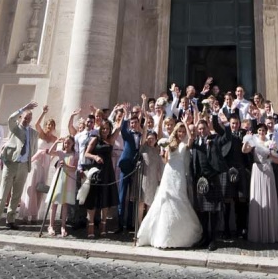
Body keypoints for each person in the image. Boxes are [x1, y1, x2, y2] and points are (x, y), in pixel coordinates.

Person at [136, 122, 202, 249]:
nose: (181, 134)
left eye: (183, 132)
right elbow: (166, 160)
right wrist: (162, 155)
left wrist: (187, 126)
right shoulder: (169, 144)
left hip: (180, 174)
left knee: (179, 198)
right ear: (176, 132)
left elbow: (191, 141)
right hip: (169, 173)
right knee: (165, 200)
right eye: (179, 131)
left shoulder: (184, 144)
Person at [0, 101, 39, 233]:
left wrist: (28, 159)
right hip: (11, 164)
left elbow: (34, 149)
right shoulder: (15, 128)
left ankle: (10, 220)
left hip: (23, 166)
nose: (26, 120)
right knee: (3, 194)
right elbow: (11, 118)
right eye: (25, 117)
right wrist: (24, 108)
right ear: (21, 117)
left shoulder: (33, 133)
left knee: (17, 195)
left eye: (29, 118)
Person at [191, 112, 232, 251]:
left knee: (214, 211)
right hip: (200, 181)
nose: (202, 131)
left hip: (213, 179)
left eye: (204, 129)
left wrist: (224, 123)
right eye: (200, 129)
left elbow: (227, 137)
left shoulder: (215, 140)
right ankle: (205, 237)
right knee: (202, 211)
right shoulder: (195, 142)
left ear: (208, 129)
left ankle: (213, 239)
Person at [242, 123, 278, 243]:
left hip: (268, 170)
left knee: (268, 198)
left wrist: (270, 154)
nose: (261, 132)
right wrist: (247, 140)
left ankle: (269, 231)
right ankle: (257, 232)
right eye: (259, 130)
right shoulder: (254, 141)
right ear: (257, 131)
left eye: (263, 130)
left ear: (266, 131)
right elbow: (244, 150)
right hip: (257, 170)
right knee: (258, 197)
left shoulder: (270, 142)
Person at [19, 106, 58, 223]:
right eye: (48, 124)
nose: (49, 126)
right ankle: (26, 213)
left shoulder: (55, 138)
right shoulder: (40, 134)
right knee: (31, 187)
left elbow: (53, 154)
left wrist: (48, 163)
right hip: (36, 162)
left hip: (44, 165)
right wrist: (43, 112)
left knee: (40, 189)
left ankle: (35, 214)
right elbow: (36, 124)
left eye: (51, 125)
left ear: (54, 127)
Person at [82, 119, 119, 237]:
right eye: (103, 128)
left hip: (108, 172)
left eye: (107, 129)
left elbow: (118, 129)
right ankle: (91, 225)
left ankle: (103, 225)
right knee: (93, 199)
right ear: (100, 129)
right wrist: (95, 157)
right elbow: (86, 153)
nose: (105, 131)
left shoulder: (110, 140)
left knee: (105, 200)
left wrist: (124, 114)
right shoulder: (95, 139)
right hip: (97, 171)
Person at [223, 113, 251, 239]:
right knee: (227, 201)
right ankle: (226, 229)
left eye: (237, 123)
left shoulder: (245, 135)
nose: (235, 126)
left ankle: (242, 229)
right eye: (233, 123)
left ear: (239, 124)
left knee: (241, 200)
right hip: (228, 170)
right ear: (230, 124)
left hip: (241, 170)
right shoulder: (225, 135)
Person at [117, 104, 144, 233]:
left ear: (138, 123)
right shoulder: (127, 134)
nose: (133, 125)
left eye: (135, 123)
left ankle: (130, 224)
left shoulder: (141, 135)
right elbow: (122, 128)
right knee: (122, 196)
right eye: (131, 123)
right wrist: (126, 115)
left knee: (133, 196)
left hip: (136, 168)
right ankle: (120, 223)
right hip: (125, 167)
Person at [44, 136, 77, 237]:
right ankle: (51, 225)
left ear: (72, 144)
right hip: (59, 179)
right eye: (65, 143)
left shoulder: (75, 154)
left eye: (69, 143)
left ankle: (63, 226)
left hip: (68, 180)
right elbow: (49, 152)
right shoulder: (60, 152)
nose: (66, 145)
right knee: (54, 202)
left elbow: (74, 168)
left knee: (65, 204)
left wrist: (66, 166)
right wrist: (56, 142)